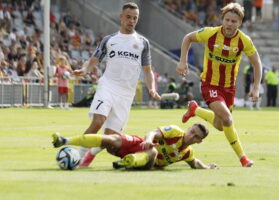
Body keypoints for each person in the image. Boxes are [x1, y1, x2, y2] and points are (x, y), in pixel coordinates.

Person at [73, 2, 160, 167]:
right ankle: (77, 157)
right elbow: (94, 60)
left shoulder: (143, 43)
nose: (131, 21)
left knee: (111, 143)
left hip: (126, 95)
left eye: (135, 18)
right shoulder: (109, 40)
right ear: (121, 17)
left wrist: (152, 88)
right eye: (128, 17)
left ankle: (88, 159)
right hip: (108, 86)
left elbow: (148, 71)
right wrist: (85, 69)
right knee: (98, 121)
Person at [176, 3, 262, 167]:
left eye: (234, 21)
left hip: (228, 88)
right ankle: (243, 158)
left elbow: (257, 63)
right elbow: (188, 38)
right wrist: (182, 62)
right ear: (222, 19)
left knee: (221, 125)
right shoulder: (210, 33)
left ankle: (195, 110)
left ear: (240, 23)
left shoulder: (244, 41)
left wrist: (256, 87)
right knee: (228, 118)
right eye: (227, 20)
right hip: (210, 84)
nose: (229, 24)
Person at [52, 122, 218, 170]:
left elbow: (195, 163)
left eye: (196, 136)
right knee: (112, 139)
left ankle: (128, 162)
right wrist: (148, 138)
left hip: (146, 161)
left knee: (152, 152)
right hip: (139, 144)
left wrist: (208, 167)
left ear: (199, 141)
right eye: (192, 131)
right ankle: (64, 141)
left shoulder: (186, 153)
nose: (191, 135)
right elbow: (153, 132)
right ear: (188, 129)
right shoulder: (175, 132)